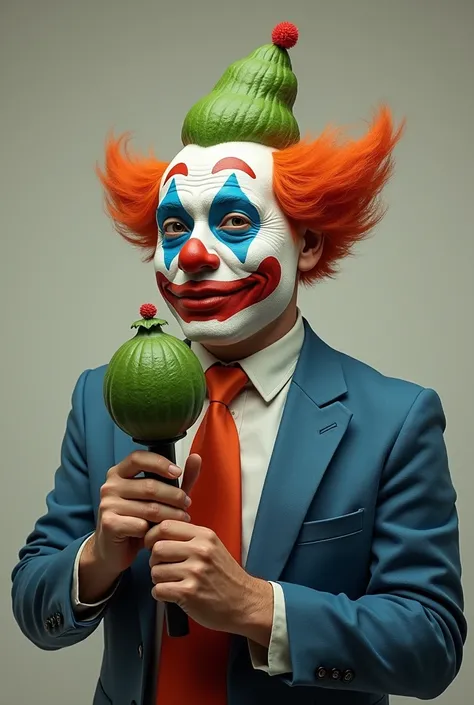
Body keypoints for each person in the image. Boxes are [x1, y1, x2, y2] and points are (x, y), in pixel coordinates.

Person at [11, 21, 467, 705]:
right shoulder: (100, 396)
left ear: (308, 245)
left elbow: (431, 646)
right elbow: (34, 604)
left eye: (231, 222)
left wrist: (259, 606)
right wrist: (98, 558)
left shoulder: (393, 419)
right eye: (174, 227)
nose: (191, 256)